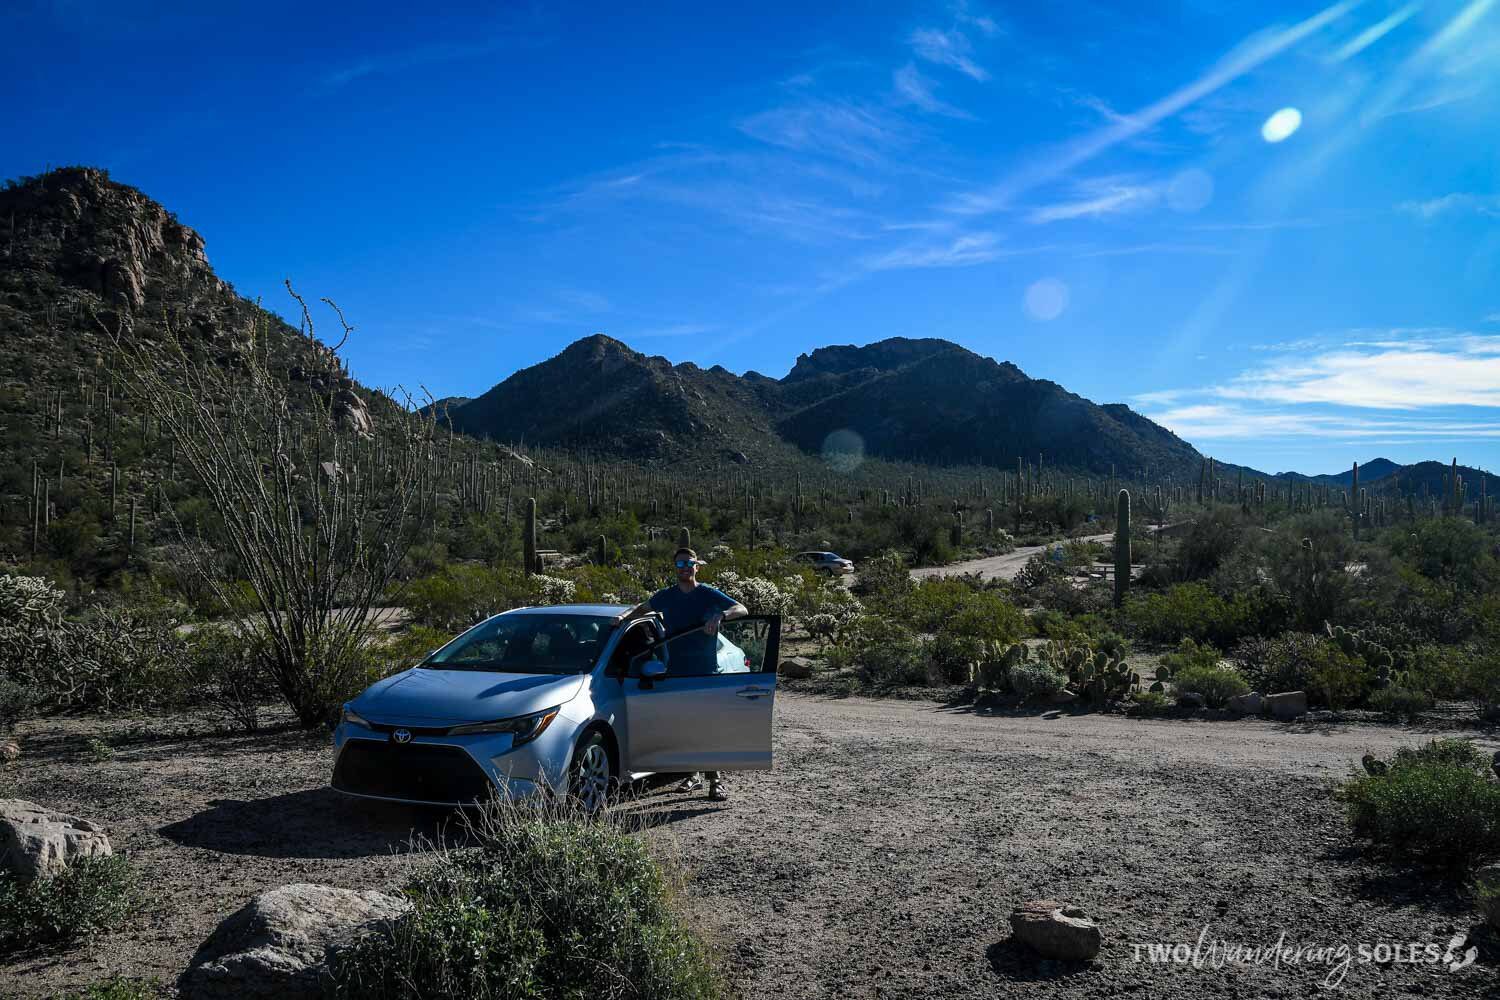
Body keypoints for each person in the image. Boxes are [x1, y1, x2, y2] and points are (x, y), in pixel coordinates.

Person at [622, 546, 747, 801]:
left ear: (696, 566)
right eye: (680, 564)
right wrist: (622, 618)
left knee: (707, 727)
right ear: (675, 568)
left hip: (705, 672)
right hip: (677, 672)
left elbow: (741, 609)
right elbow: (642, 608)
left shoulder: (708, 594)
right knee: (684, 726)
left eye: (689, 563)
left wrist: (721, 615)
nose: (685, 568)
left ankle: (715, 780)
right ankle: (691, 775)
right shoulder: (666, 597)